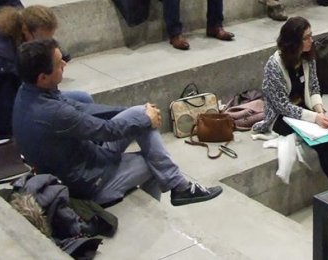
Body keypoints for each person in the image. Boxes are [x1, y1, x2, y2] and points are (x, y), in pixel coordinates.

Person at [12, 38, 222, 206]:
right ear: (43, 77)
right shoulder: (52, 113)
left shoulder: (29, 91)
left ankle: (179, 187)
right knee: (155, 164)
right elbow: (106, 131)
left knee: (141, 116)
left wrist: (137, 113)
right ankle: (176, 189)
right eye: (59, 64)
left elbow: (84, 110)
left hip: (85, 159)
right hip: (90, 184)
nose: (65, 64)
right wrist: (143, 119)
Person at [0, 5, 92, 158]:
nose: (47, 44)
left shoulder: (34, 47)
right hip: (10, 118)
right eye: (43, 39)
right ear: (26, 31)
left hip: (34, 102)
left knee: (83, 99)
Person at [252, 17, 328, 187]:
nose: (311, 40)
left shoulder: (308, 58)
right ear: (293, 42)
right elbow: (282, 105)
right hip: (281, 117)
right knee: (322, 143)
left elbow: (314, 87)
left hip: (304, 109)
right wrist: (314, 118)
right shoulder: (274, 65)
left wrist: (319, 111)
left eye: (311, 35)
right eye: (306, 37)